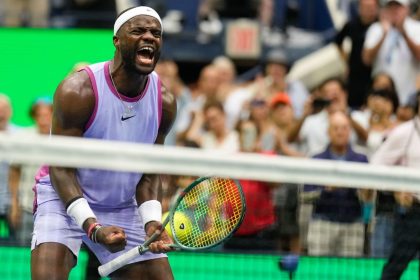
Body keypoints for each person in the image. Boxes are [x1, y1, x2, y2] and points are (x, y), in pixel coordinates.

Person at [30, 6, 177, 279]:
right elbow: (61, 169)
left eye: (156, 33)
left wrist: (151, 220)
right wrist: (93, 227)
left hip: (121, 204)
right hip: (63, 199)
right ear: (117, 40)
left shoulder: (164, 101)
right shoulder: (78, 90)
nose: (149, 37)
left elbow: (150, 171)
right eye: (138, 31)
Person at [305, 111, 370, 257]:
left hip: (353, 225)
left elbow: (368, 197)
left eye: (344, 128)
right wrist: (325, 189)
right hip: (322, 224)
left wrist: (355, 187)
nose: (340, 132)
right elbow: (305, 195)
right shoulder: (316, 160)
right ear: (328, 132)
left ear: (350, 131)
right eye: (335, 128)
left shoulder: (361, 160)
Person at [371, 92, 420, 279]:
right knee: (395, 268)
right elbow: (375, 166)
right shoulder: (403, 132)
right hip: (412, 214)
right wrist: (396, 189)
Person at [362, 0, 420, 107]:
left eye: (398, 7)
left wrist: (404, 33)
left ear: (406, 8)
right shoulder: (375, 29)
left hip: (412, 94)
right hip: (385, 98)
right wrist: (383, 36)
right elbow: (366, 60)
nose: (394, 11)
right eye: (390, 7)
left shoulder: (416, 27)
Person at [334, 0, 379, 109]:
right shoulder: (352, 24)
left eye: (372, 7)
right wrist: (346, 61)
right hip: (355, 72)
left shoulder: (380, 25)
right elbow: (338, 42)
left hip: (374, 71)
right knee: (354, 104)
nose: (370, 11)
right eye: (367, 7)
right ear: (360, 8)